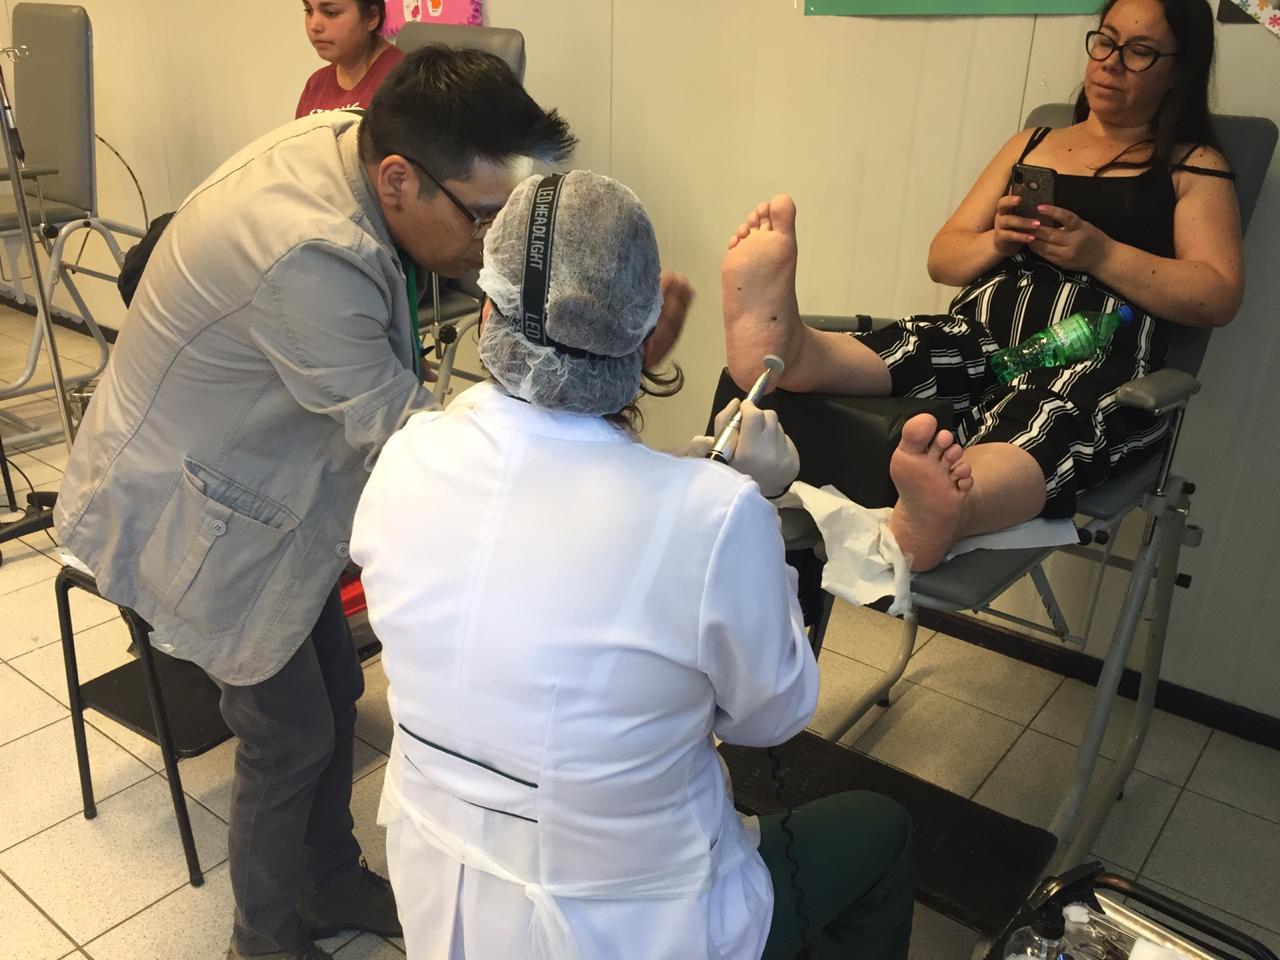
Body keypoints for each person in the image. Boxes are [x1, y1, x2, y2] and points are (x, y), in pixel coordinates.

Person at [54, 47, 586, 960]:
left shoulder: (356, 144)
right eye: (483, 216)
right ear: (400, 180)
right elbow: (404, 437)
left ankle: (329, 880)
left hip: (258, 472)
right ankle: (261, 943)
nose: (491, 243)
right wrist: (576, 475)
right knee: (287, 735)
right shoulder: (310, 249)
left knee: (337, 690)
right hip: (193, 509)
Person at [350, 170, 915, 960]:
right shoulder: (713, 519)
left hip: (447, 899)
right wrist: (760, 504)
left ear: (484, 312)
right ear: (642, 337)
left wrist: (690, 486)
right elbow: (769, 717)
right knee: (881, 830)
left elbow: (548, 524)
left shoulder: (408, 457)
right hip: (636, 926)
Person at [721, 0, 1243, 572]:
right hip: (987, 328)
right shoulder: (1032, 144)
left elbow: (1217, 295)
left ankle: (952, 508)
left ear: (1178, 69)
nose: (1110, 63)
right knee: (922, 345)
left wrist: (1101, 253)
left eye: (1139, 51)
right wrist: (998, 239)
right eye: (1105, 40)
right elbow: (944, 259)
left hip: (1097, 349)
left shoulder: (1192, 166)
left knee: (1053, 411)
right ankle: (792, 350)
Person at [296, 0, 405, 117]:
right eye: (309, 11)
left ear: (371, 17)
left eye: (331, 12)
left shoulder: (406, 77)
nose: (314, 26)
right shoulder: (316, 84)